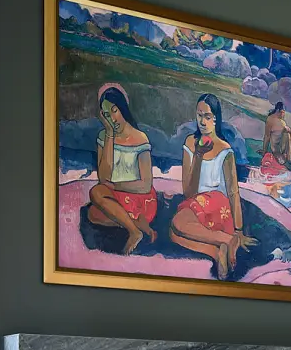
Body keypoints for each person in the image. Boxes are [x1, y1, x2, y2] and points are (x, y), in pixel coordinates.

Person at [170, 93, 255, 280]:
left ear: (216, 119)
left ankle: (227, 239)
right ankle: (216, 251)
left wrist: (238, 230)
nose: (202, 121)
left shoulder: (225, 149)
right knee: (174, 234)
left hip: (218, 204)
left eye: (207, 116)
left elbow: (233, 192)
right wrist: (198, 156)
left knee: (178, 223)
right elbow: (188, 192)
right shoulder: (190, 143)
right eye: (199, 115)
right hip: (196, 203)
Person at [85, 83, 156, 255]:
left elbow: (145, 185)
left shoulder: (140, 138)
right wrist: (109, 133)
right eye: (107, 115)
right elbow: (104, 178)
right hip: (115, 198)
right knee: (93, 214)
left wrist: (116, 186)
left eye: (115, 111)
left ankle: (134, 232)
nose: (112, 119)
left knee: (96, 196)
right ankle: (136, 225)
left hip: (140, 198)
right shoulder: (104, 136)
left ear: (123, 108)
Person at [258, 99, 291, 180]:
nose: (283, 115)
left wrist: (287, 130)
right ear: (278, 111)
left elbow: (288, 137)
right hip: (276, 149)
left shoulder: (282, 122)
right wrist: (264, 151)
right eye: (282, 113)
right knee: (281, 162)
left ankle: (289, 157)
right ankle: (286, 157)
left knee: (287, 133)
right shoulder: (270, 120)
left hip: (283, 148)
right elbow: (267, 136)